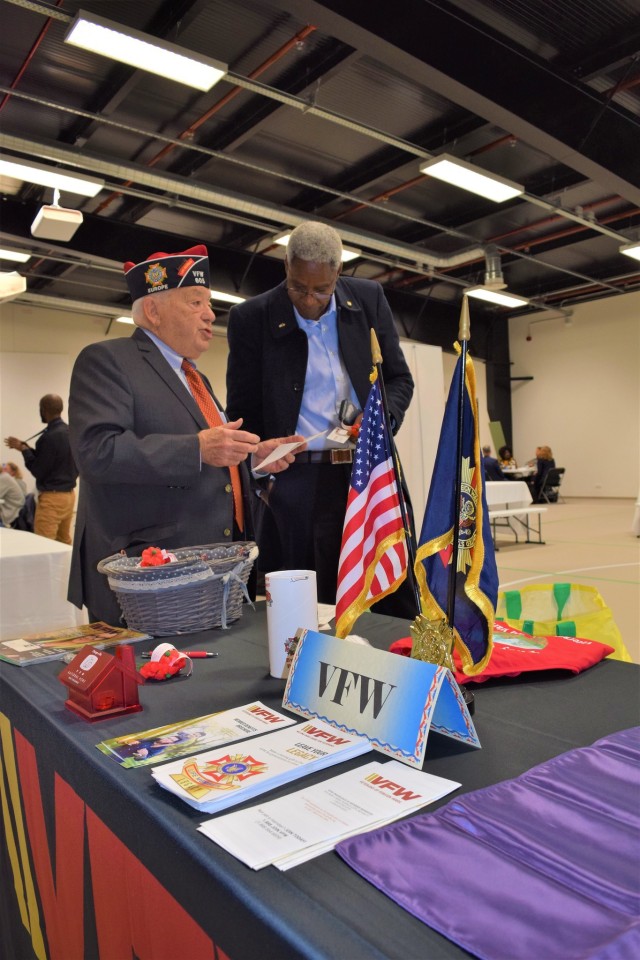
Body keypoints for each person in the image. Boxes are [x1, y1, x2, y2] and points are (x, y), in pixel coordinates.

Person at [67, 243, 300, 626]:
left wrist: (251, 461)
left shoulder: (196, 377)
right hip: (147, 579)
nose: (210, 315)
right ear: (154, 311)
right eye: (195, 303)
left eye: (209, 304)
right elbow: (97, 452)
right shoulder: (108, 361)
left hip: (214, 579)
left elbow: (211, 460)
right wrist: (197, 448)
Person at [226, 221, 416, 616]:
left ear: (339, 273)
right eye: (298, 287)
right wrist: (263, 464)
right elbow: (242, 411)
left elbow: (398, 379)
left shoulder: (367, 299)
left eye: (321, 290)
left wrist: (381, 419)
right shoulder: (252, 318)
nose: (309, 300)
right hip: (296, 483)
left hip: (367, 476)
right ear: (286, 266)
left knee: (386, 592)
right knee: (310, 607)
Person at [4, 395, 78, 543]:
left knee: (44, 543)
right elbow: (50, 460)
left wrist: (25, 450)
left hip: (52, 498)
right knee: (63, 542)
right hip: (69, 497)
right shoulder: (72, 432)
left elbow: (38, 470)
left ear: (43, 410)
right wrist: (25, 448)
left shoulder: (48, 437)